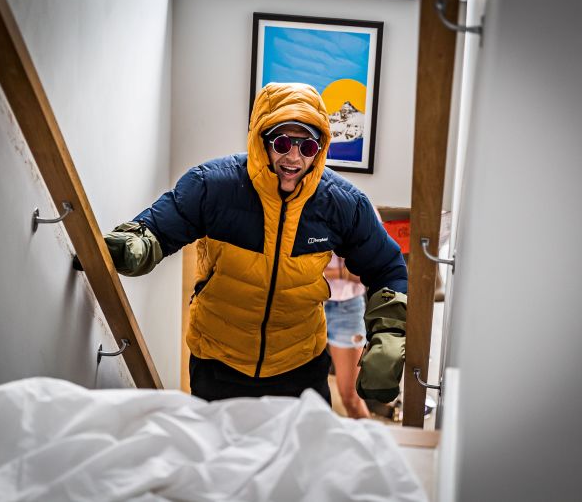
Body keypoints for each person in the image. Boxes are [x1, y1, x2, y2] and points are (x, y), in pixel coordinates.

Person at [101, 82, 408, 404]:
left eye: (306, 147)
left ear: (320, 149)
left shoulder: (342, 203)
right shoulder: (212, 185)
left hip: (300, 364)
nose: (293, 157)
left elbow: (386, 268)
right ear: (262, 139)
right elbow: (160, 228)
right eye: (283, 142)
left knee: (297, 452)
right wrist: (133, 245)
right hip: (218, 359)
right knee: (219, 450)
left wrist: (388, 334)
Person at [324, 253, 371, 418]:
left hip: (346, 307)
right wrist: (342, 273)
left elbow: (369, 272)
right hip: (305, 302)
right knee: (298, 391)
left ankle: (371, 443)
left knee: (351, 398)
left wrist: (321, 272)